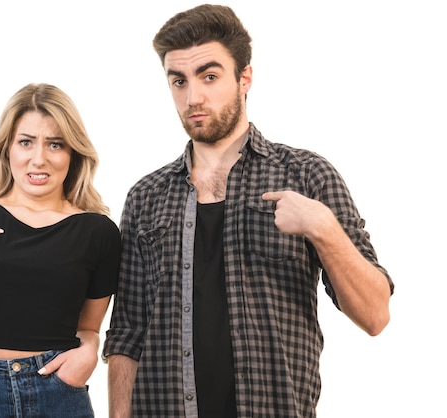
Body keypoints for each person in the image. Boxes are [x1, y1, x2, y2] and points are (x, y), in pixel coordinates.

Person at [102, 4, 395, 418]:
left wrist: (323, 228)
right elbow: (127, 333)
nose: (193, 97)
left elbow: (375, 315)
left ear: (245, 79)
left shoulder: (307, 175)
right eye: (178, 81)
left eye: (209, 76)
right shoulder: (145, 196)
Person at [0, 83, 121, 418]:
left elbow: (88, 327)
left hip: (59, 390)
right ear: (7, 149)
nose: (38, 158)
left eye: (55, 144)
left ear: (72, 153)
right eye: (26, 142)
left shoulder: (98, 232)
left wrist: (90, 349)